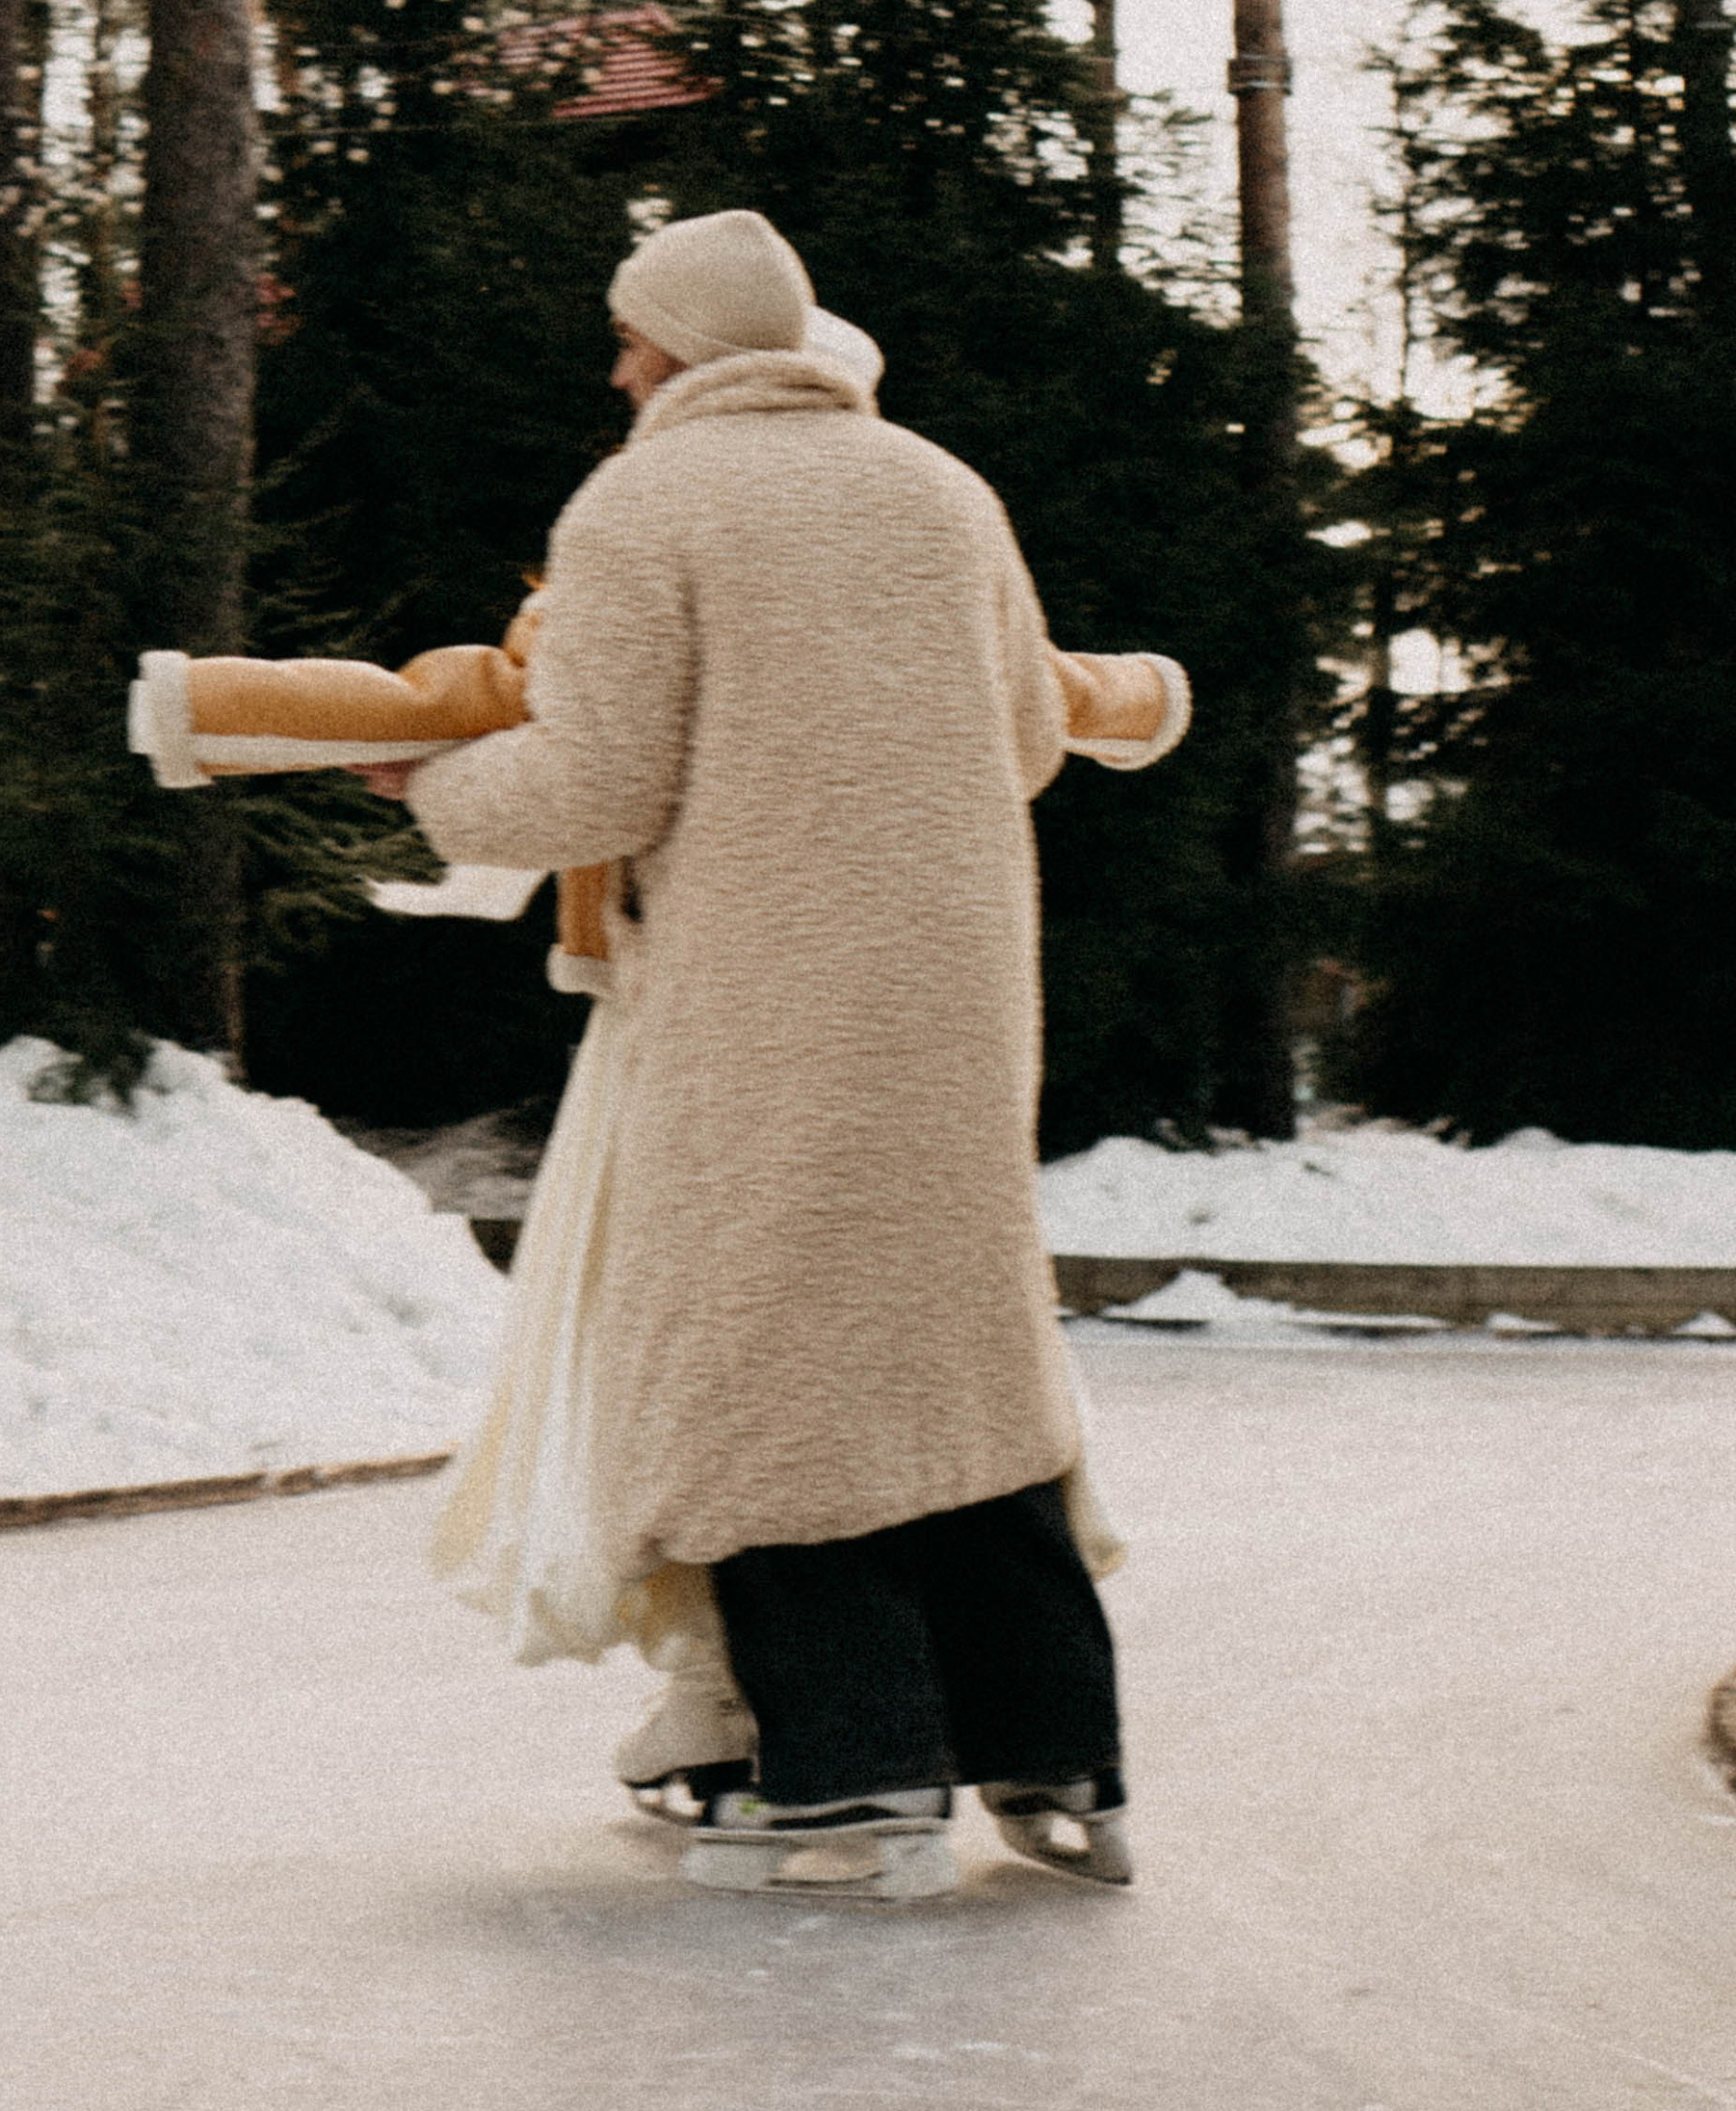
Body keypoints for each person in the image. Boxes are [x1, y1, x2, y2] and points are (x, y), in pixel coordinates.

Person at [363, 207, 1170, 1901]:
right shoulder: (944, 487)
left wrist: (428, 791)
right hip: (956, 991)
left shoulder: (643, 501)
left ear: (681, 349)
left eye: (630, 338)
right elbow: (1029, 734)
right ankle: (1055, 1749)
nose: (615, 367)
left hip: (763, 994)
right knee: (954, 1343)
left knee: (765, 1357)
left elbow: (596, 780)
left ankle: (854, 1773)